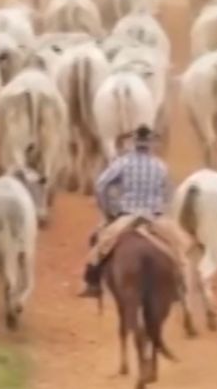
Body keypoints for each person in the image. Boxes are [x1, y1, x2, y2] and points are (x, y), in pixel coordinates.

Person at [79, 124, 190, 298]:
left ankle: (93, 283)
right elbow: (170, 194)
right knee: (181, 246)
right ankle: (181, 286)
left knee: (100, 243)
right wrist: (162, 209)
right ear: (151, 144)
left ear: (133, 143)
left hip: (126, 216)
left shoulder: (122, 163)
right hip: (154, 218)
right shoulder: (160, 166)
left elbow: (101, 185)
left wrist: (108, 209)